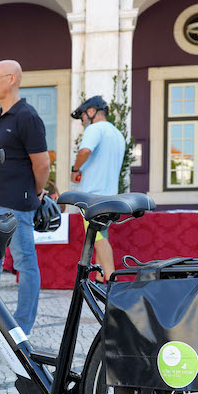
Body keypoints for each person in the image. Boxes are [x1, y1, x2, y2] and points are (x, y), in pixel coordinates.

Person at [0, 59, 50, 335]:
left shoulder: (27, 116)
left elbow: (42, 163)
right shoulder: (0, 116)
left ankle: (23, 325)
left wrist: (34, 192)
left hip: (18, 205)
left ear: (12, 79)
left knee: (25, 264)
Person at [70, 95, 124, 282]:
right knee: (101, 234)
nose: (82, 121)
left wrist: (75, 169)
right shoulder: (117, 134)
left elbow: (85, 151)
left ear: (92, 112)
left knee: (98, 237)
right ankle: (102, 278)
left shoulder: (95, 129)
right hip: (110, 195)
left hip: (93, 197)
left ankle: (110, 276)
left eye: (83, 116)